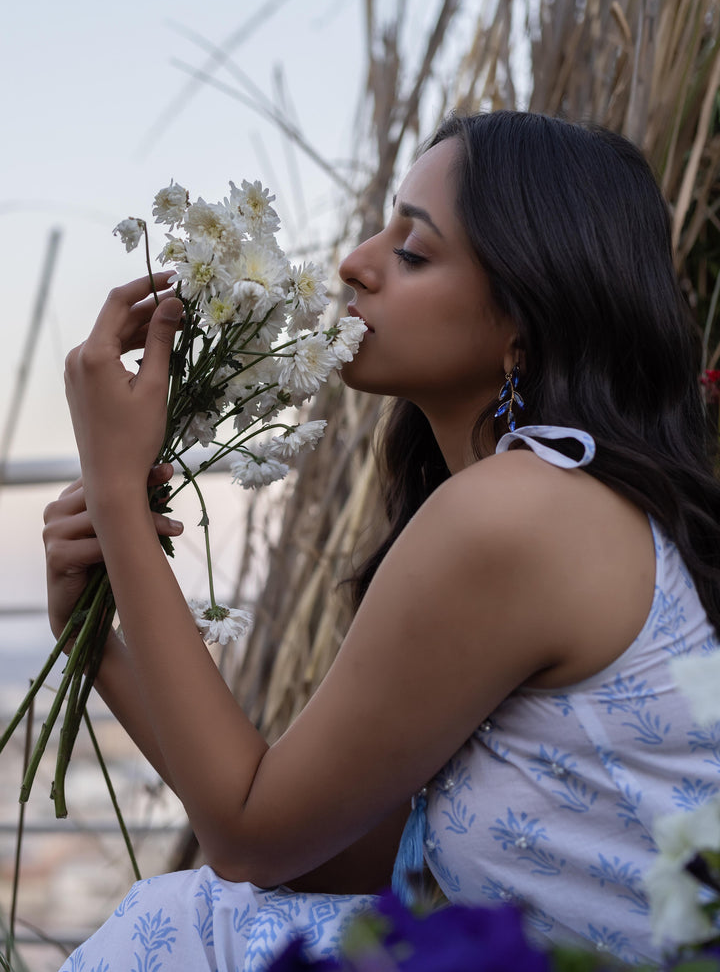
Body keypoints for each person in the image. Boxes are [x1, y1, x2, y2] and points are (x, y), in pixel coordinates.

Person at [44, 111, 720, 971]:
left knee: (190, 920)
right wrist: (95, 641)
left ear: (523, 324)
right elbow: (333, 854)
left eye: (413, 252)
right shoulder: (564, 505)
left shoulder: (518, 517)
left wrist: (115, 486)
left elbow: (252, 835)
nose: (355, 263)